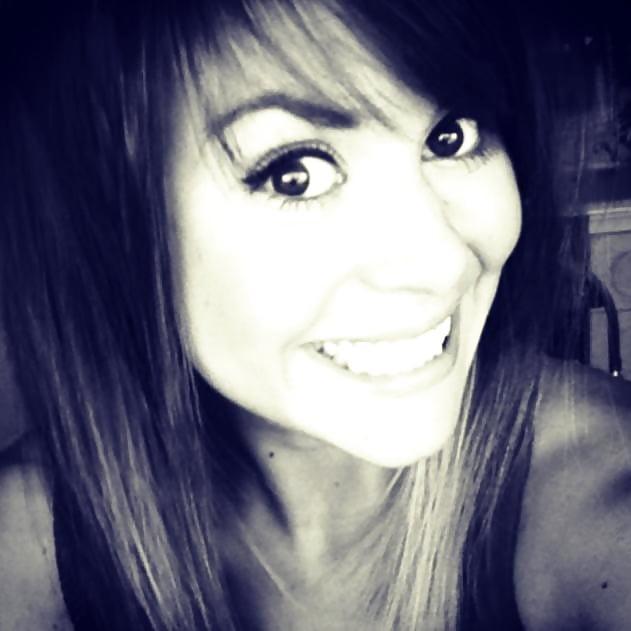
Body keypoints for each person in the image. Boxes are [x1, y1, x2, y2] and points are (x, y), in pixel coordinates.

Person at [0, 0, 630, 629]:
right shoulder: (28, 542)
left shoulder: (601, 488)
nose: (444, 263)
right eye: (296, 175)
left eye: (451, 137)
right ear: (106, 230)